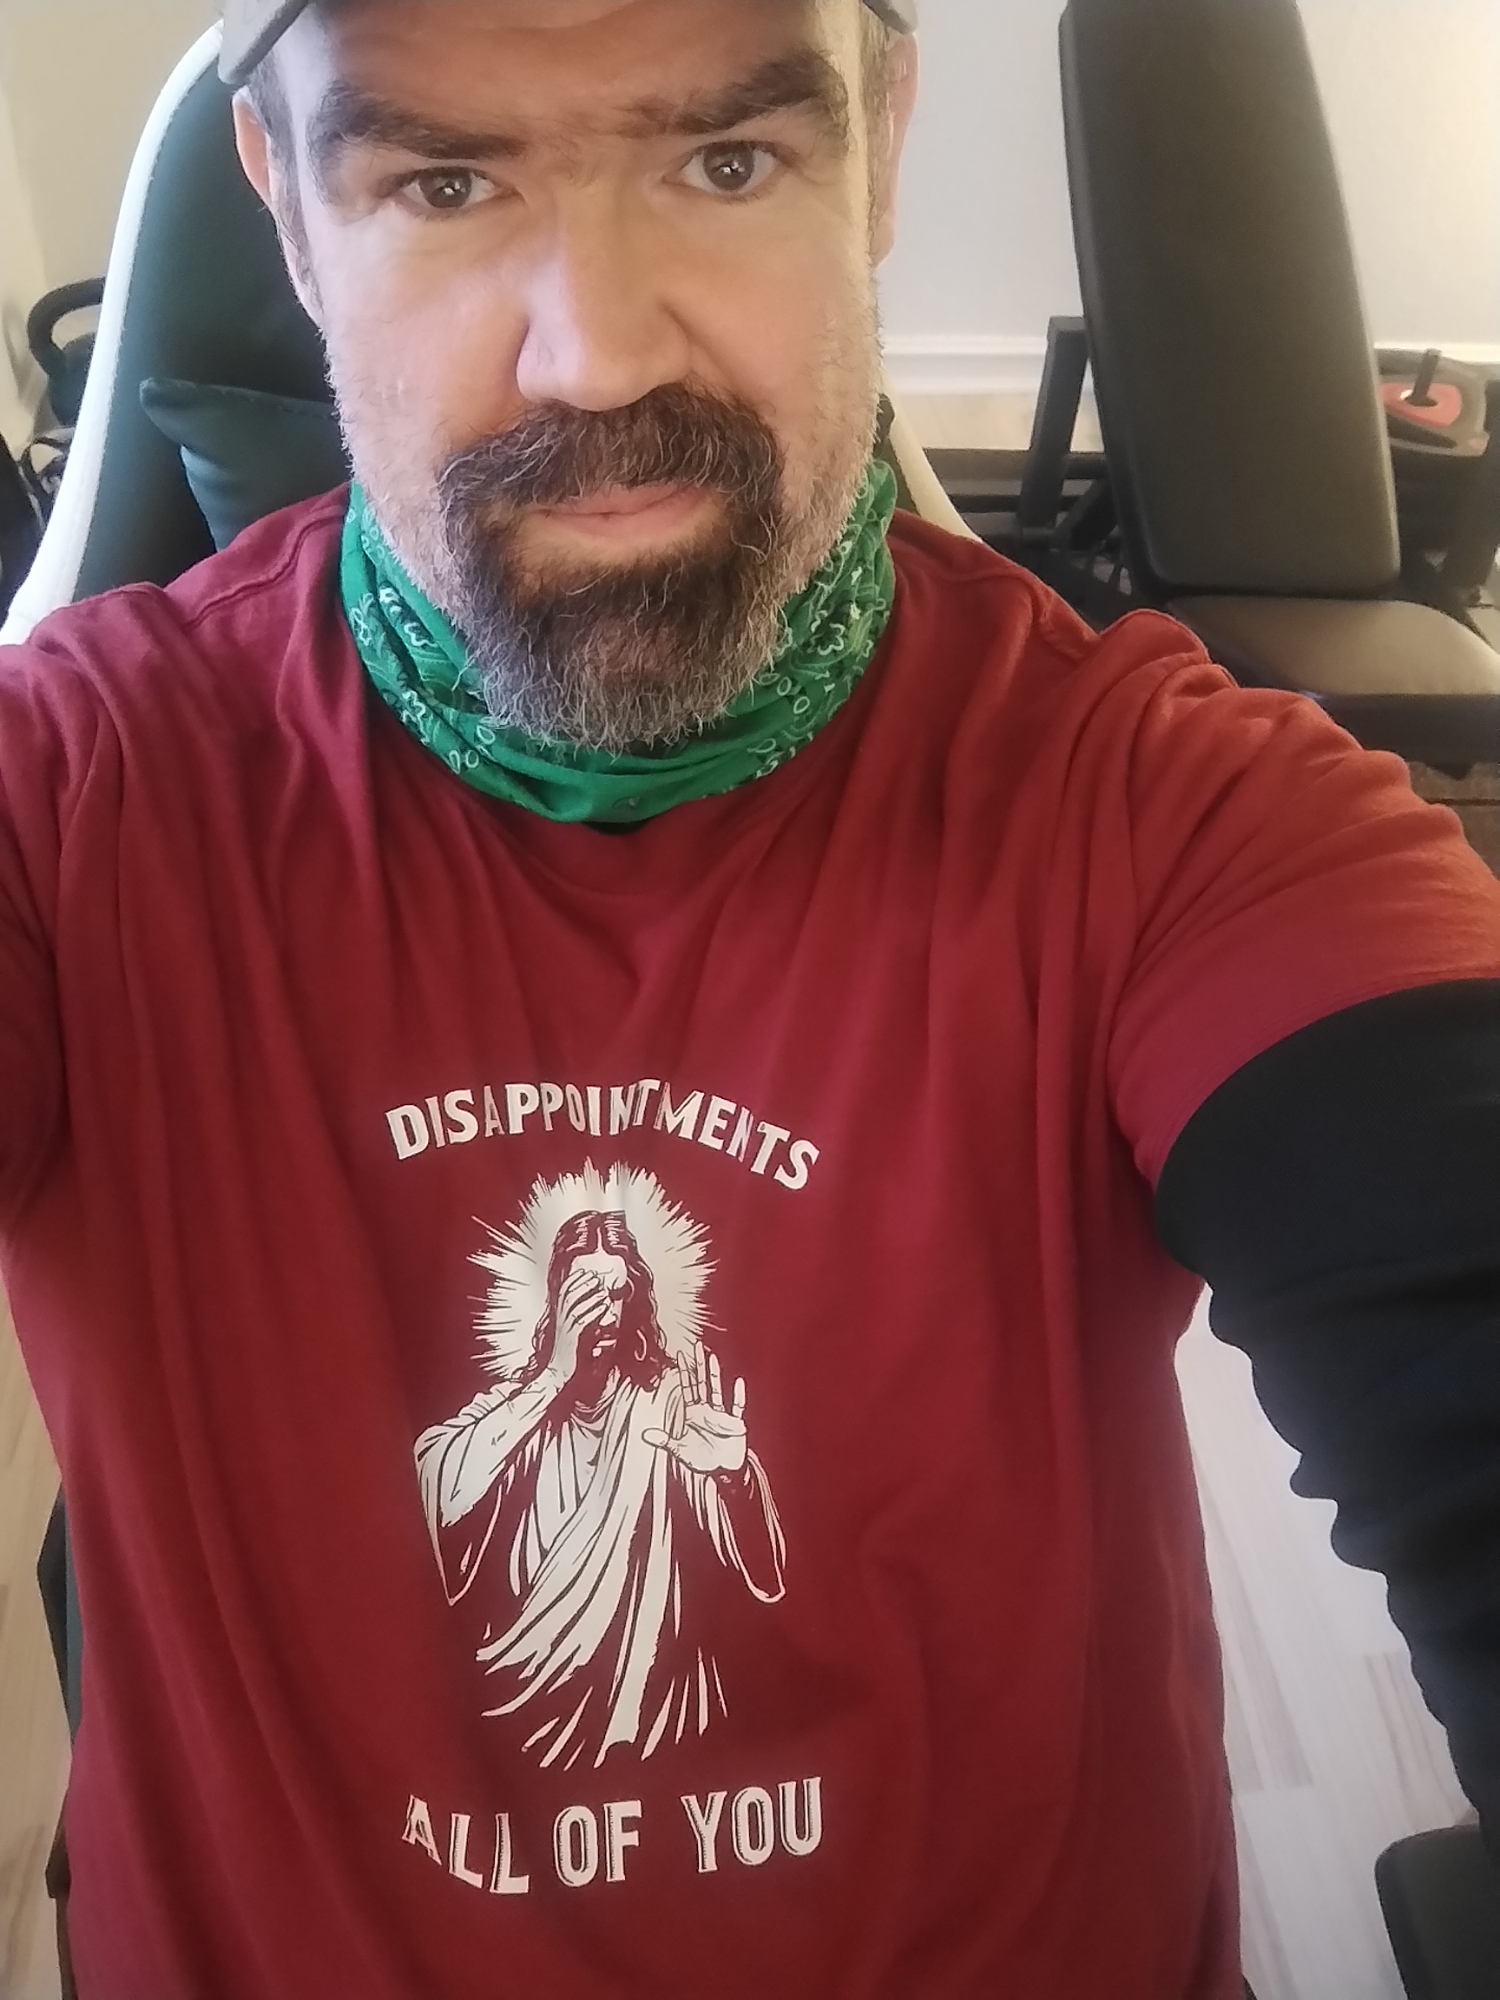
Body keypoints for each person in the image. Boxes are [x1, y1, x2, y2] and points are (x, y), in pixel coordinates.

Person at [0, 0, 1495, 1994]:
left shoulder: (1179, 816)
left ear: (875, 145)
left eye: (726, 162)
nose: (599, 352)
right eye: (444, 184)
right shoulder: (68, 805)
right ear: (285, 206)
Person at [415, 1203, 785, 1771]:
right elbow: (437, 1496)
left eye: (616, 1293)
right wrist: (553, 1378)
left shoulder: (668, 1405)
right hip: (513, 1759)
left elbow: (765, 1573)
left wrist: (733, 1477)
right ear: (556, 1300)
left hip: (656, 1730)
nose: (603, 1313)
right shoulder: (515, 1409)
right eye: (585, 1293)